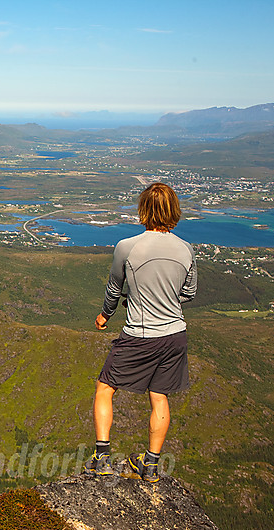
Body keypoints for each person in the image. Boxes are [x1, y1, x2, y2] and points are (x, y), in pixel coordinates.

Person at [84, 182, 197, 482]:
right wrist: (165, 297)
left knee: (105, 388)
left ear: (143, 210)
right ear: (174, 210)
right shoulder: (186, 249)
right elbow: (189, 292)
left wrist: (105, 315)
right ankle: (151, 465)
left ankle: (102, 458)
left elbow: (114, 288)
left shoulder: (127, 247)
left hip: (140, 334)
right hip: (175, 335)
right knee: (159, 396)